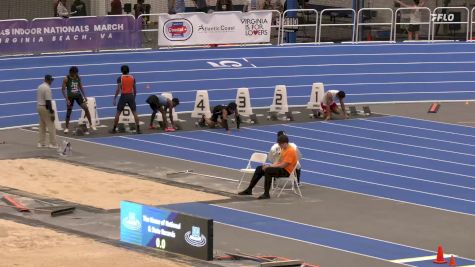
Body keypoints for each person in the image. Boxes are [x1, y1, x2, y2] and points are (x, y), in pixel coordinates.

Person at [239, 134, 298, 199]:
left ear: (285, 143)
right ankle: (249, 190)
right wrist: (269, 165)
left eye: (280, 144)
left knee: (268, 170)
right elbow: (278, 161)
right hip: (280, 168)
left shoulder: (290, 151)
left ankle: (266, 194)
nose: (279, 146)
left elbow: (283, 165)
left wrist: (270, 167)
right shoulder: (284, 149)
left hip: (286, 171)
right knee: (259, 168)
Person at [61, 66, 95, 134]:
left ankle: (91, 124)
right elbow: (63, 89)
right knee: (69, 111)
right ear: (71, 72)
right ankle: (67, 128)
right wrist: (66, 99)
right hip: (70, 97)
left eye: (76, 73)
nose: (76, 74)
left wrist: (84, 96)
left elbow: (81, 87)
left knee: (86, 108)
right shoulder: (66, 79)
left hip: (78, 96)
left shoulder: (78, 77)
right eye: (75, 73)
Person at [111, 65, 142, 134]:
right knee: (134, 112)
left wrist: (115, 98)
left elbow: (118, 89)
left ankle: (113, 129)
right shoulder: (132, 78)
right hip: (130, 95)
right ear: (128, 70)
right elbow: (135, 89)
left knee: (118, 113)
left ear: (121, 71)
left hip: (124, 96)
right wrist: (134, 97)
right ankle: (138, 129)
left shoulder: (120, 78)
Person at [37, 75, 58, 149]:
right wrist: (51, 112)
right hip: (45, 108)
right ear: (49, 80)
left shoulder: (40, 86)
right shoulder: (47, 88)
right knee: (51, 126)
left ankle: (41, 143)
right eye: (51, 80)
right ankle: (53, 143)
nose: (52, 82)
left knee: (42, 126)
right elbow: (48, 101)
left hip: (39, 107)